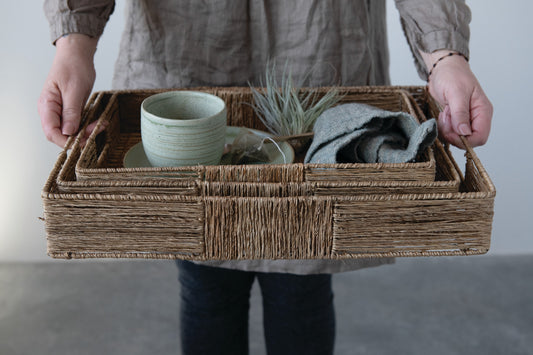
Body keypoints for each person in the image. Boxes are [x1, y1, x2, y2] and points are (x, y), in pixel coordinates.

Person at [38, 1, 493, 354]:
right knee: (206, 278)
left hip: (320, 56)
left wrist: (445, 57)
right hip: (187, 59)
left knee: (302, 276)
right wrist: (72, 45)